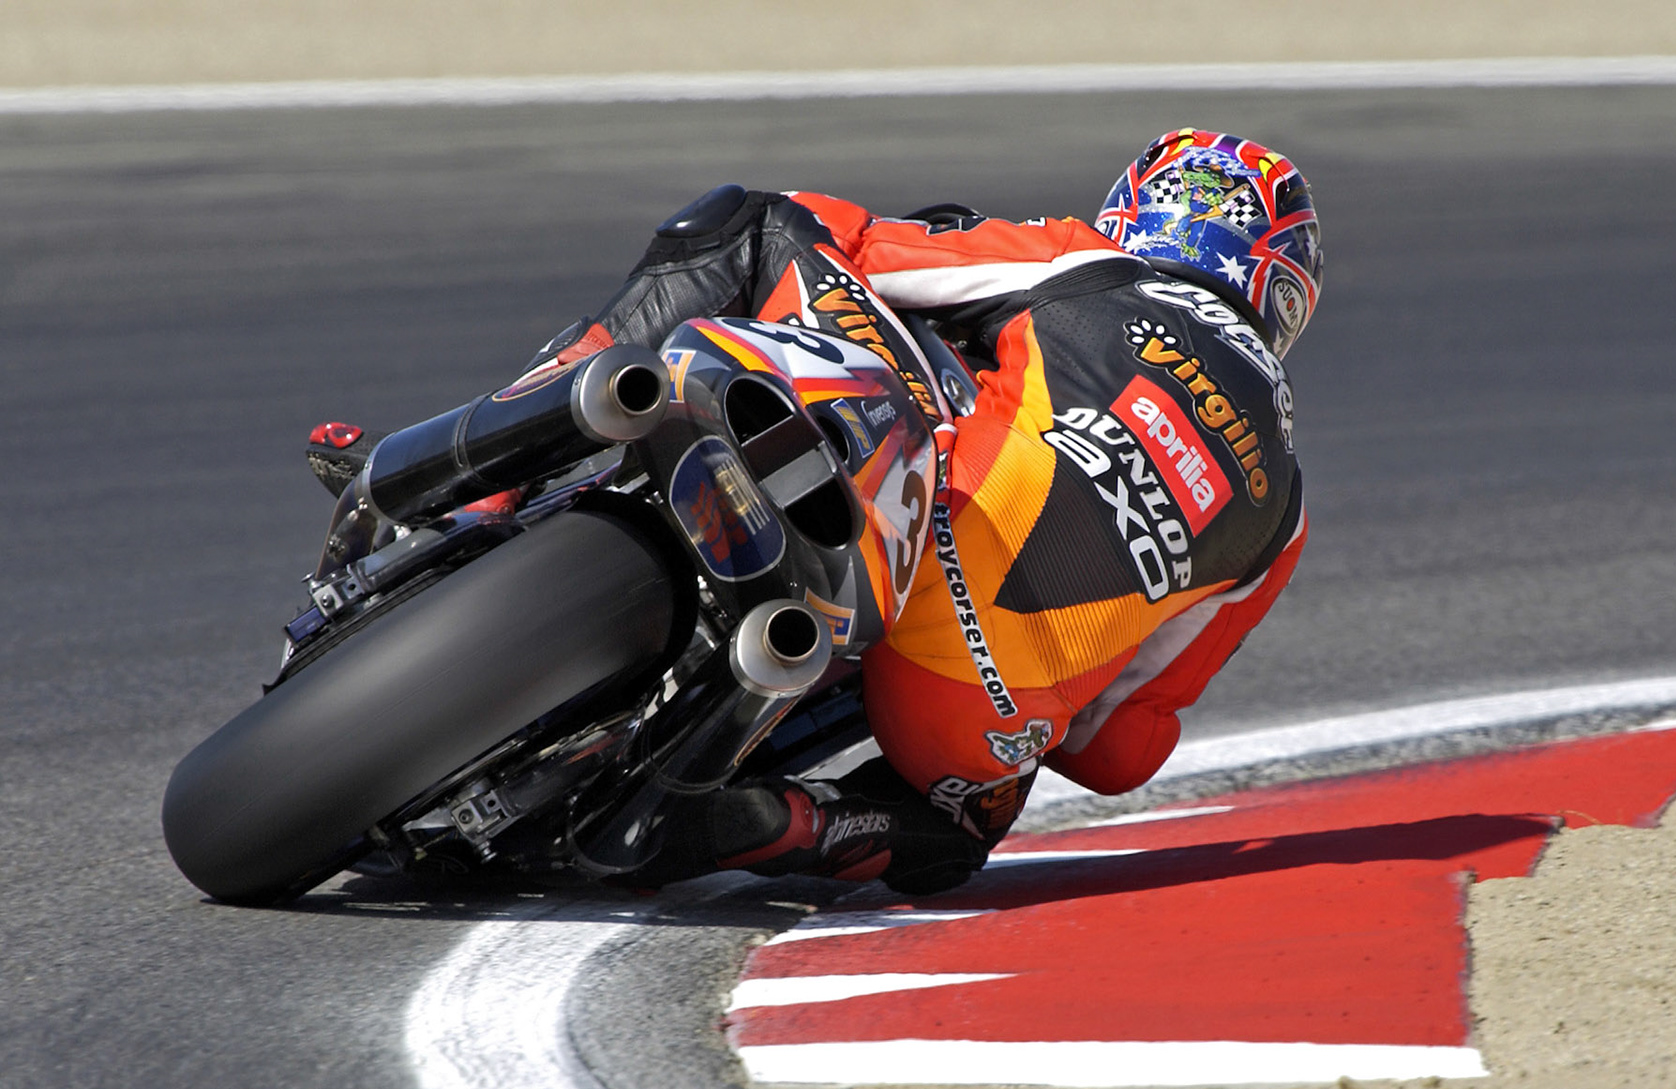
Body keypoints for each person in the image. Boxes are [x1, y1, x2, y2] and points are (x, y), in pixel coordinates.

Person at [309, 128, 1322, 896]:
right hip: (957, 708)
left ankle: (483, 473)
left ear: (1141, 212)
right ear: (1280, 293)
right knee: (960, 830)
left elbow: (860, 246)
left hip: (912, 512)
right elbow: (1117, 751)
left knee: (748, 224)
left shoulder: (1090, 263)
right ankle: (771, 824)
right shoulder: (1283, 514)